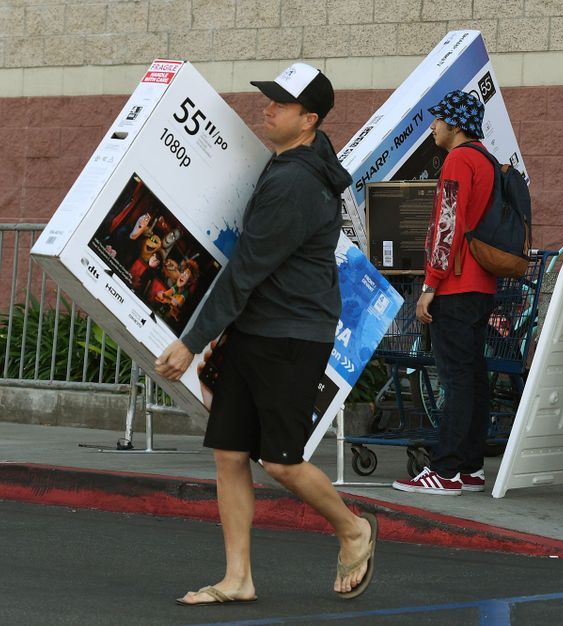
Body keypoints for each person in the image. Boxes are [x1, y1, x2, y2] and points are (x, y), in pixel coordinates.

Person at [154, 63, 377, 603]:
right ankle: (239, 578)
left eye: (281, 103)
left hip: (290, 336)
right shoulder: (289, 164)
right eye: (269, 98)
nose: (267, 108)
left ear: (310, 120)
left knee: (279, 460)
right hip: (257, 330)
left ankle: (353, 529)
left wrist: (193, 340)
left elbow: (245, 269)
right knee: (229, 454)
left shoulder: (296, 181)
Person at [391, 90, 497, 496]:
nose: (432, 126)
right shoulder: (486, 160)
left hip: (455, 284)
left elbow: (447, 227)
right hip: (481, 283)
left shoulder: (458, 159)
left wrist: (429, 285)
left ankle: (446, 469)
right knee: (472, 375)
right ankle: (469, 467)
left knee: (454, 377)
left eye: (438, 120)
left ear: (455, 125)